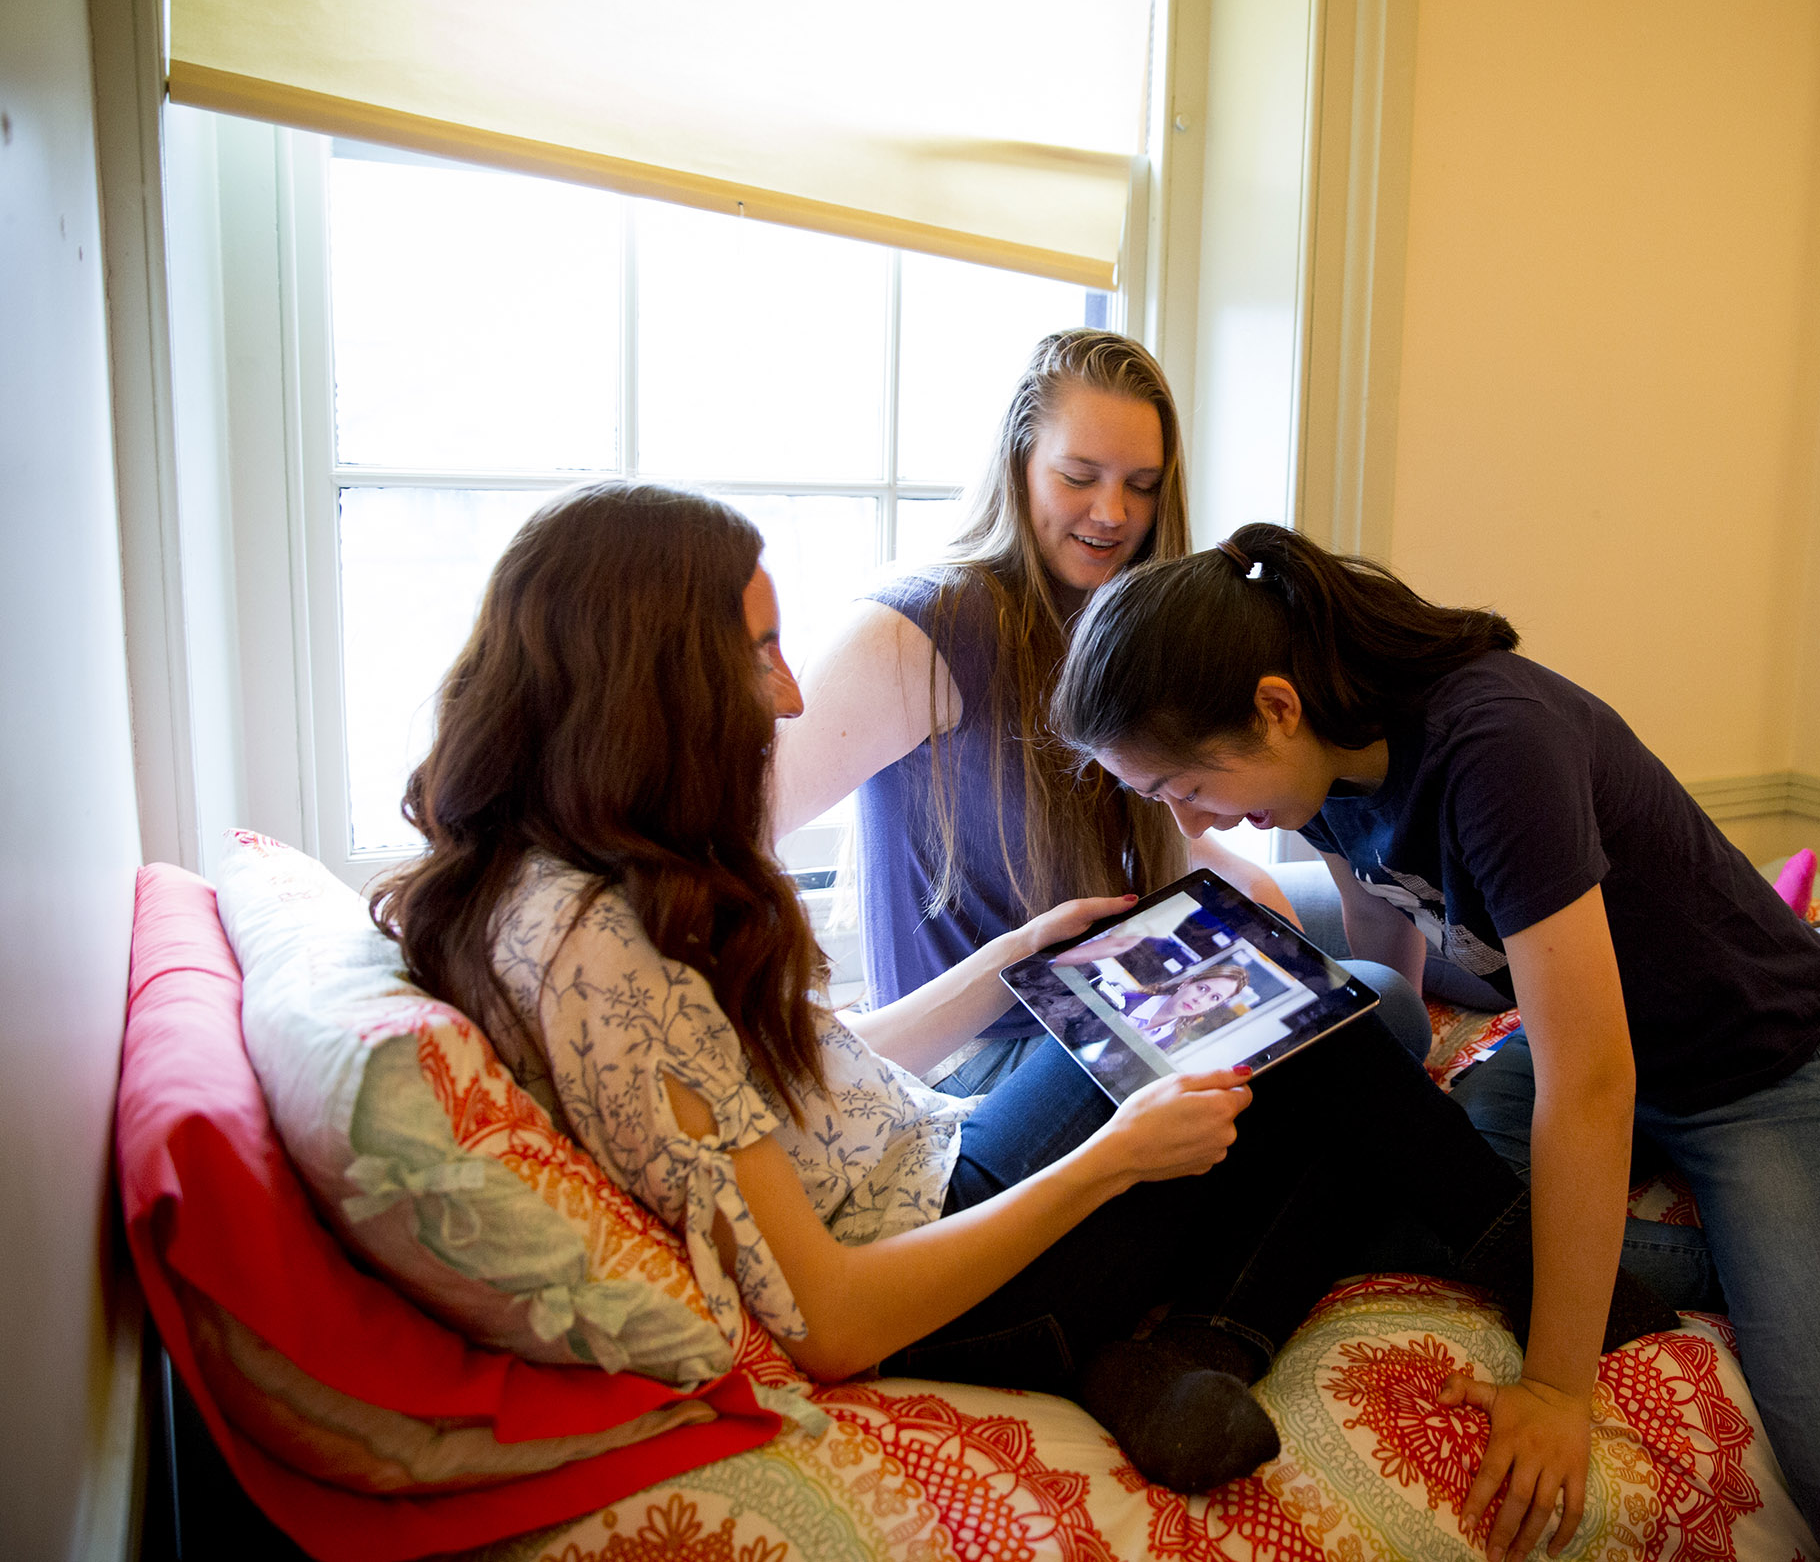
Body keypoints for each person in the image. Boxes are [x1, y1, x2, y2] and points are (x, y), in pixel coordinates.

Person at [371, 483, 1578, 1496]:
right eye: (756, 652)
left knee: (1292, 1009)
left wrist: (1015, 965)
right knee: (1323, 1033)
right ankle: (1580, 1294)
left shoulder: (555, 877)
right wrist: (1117, 1152)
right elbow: (832, 1319)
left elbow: (822, 1071)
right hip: (953, 1265)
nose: (788, 695)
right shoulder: (599, 950)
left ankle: (1177, 1349)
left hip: (942, 1159)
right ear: (645, 679)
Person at [1049, 522, 1820, 1562]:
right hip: (1580, 1033)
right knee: (1404, 1192)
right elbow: (1389, 920)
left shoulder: (1493, 746)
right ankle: (1743, 1263)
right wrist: (1387, 1089)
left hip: (1752, 1065)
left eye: (1188, 786)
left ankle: (1777, 1269)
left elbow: (1591, 1079)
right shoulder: (1319, 761)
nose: (1205, 818)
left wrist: (1552, 1385)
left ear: (1274, 707)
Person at [769, 330, 1432, 1094]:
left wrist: (1239, 874)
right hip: (1002, 1041)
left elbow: (1132, 819)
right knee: (1388, 1008)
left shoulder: (1122, 622)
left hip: (1119, 966)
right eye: (1079, 476)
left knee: (1398, 926)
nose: (1112, 513)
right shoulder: (915, 631)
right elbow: (727, 828)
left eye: (1142, 485)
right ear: (1019, 463)